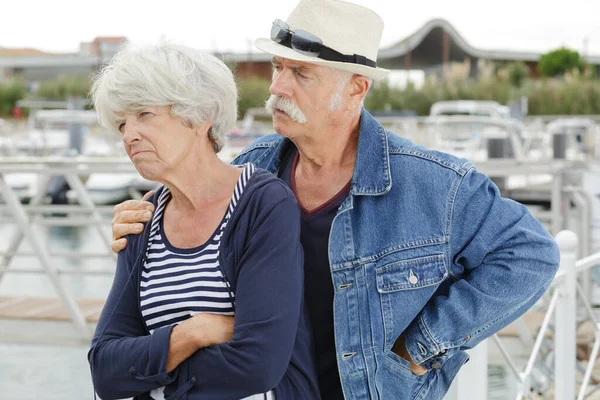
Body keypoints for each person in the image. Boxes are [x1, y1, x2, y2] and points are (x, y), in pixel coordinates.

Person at [109, 1, 561, 399]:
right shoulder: (252, 169)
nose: (278, 88)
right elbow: (190, 211)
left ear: (356, 89)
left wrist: (421, 346)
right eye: (277, 68)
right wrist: (146, 216)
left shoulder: (436, 185)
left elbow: (531, 254)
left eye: (301, 73)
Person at [87, 41, 320, 400]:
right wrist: (194, 333)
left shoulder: (261, 203)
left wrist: (156, 373)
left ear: (199, 117)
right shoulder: (143, 220)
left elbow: (258, 365)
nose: (129, 135)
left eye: (144, 115)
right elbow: (105, 370)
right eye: (121, 123)